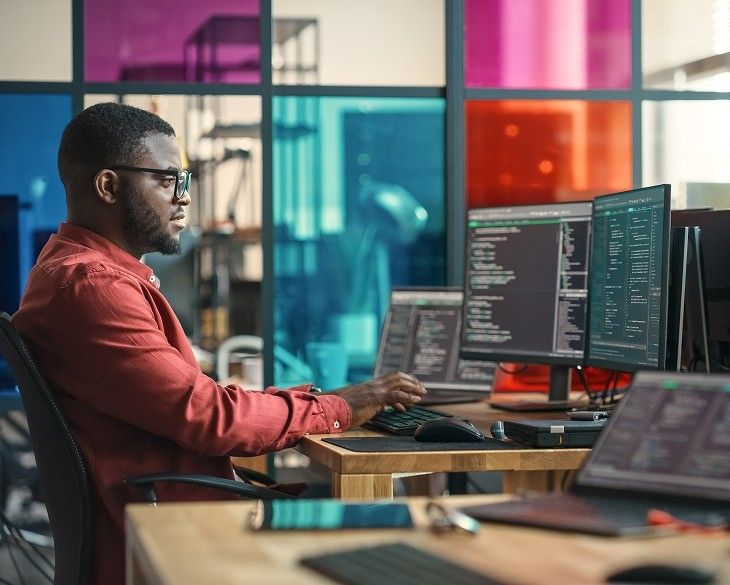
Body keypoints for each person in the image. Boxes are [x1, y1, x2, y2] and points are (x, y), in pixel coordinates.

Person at [12, 102, 427, 584]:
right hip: (170, 536)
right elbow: (209, 417)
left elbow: (198, 405)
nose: (184, 197)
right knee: (397, 533)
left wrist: (321, 402)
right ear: (108, 186)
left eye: (183, 180)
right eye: (167, 180)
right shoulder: (93, 287)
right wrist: (339, 407)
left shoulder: (78, 273)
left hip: (165, 515)